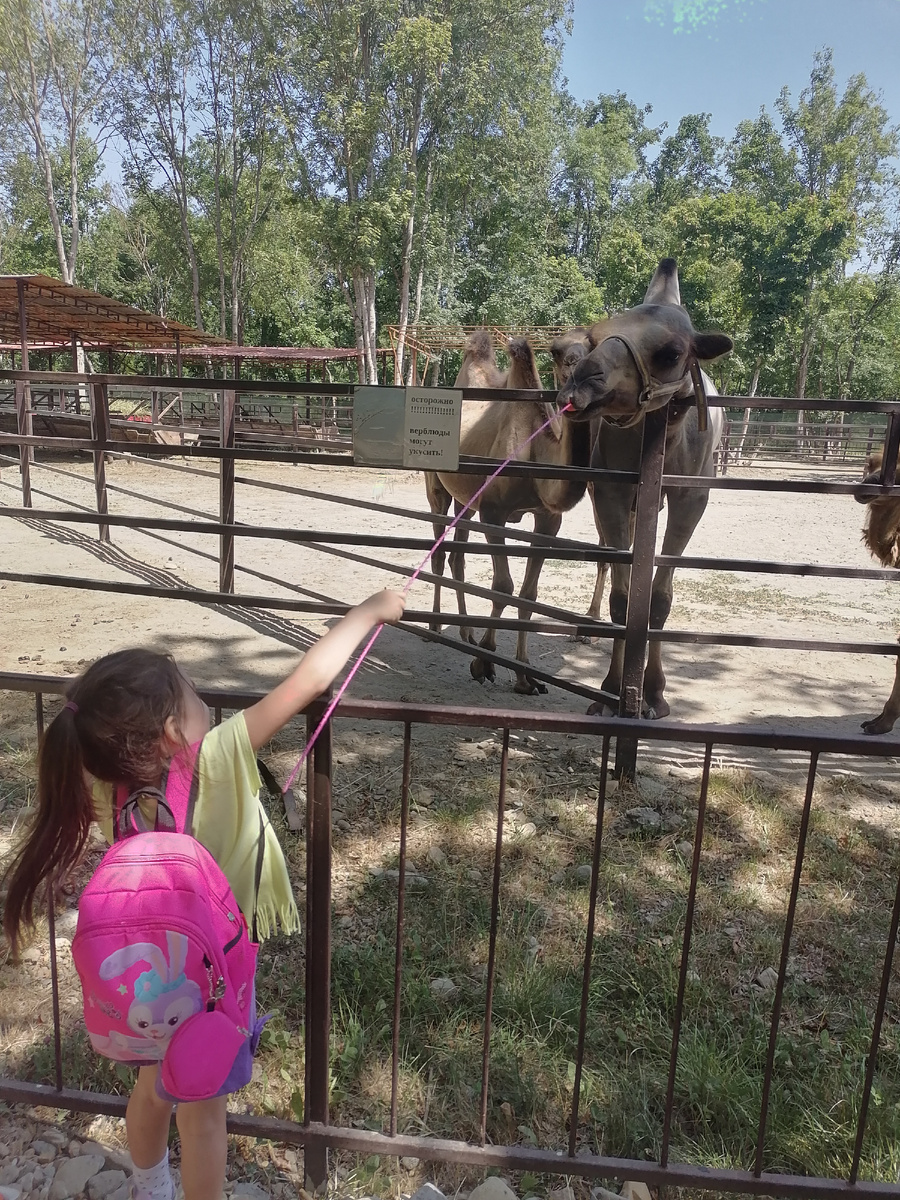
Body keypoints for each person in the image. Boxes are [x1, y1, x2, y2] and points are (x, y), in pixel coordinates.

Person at [2, 588, 406, 1200]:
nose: (203, 699)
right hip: (212, 971)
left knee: (150, 1087)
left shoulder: (111, 782)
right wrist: (367, 613)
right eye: (192, 693)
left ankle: (149, 1184)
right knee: (203, 1109)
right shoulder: (218, 755)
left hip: (144, 976)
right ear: (172, 730)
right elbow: (307, 680)